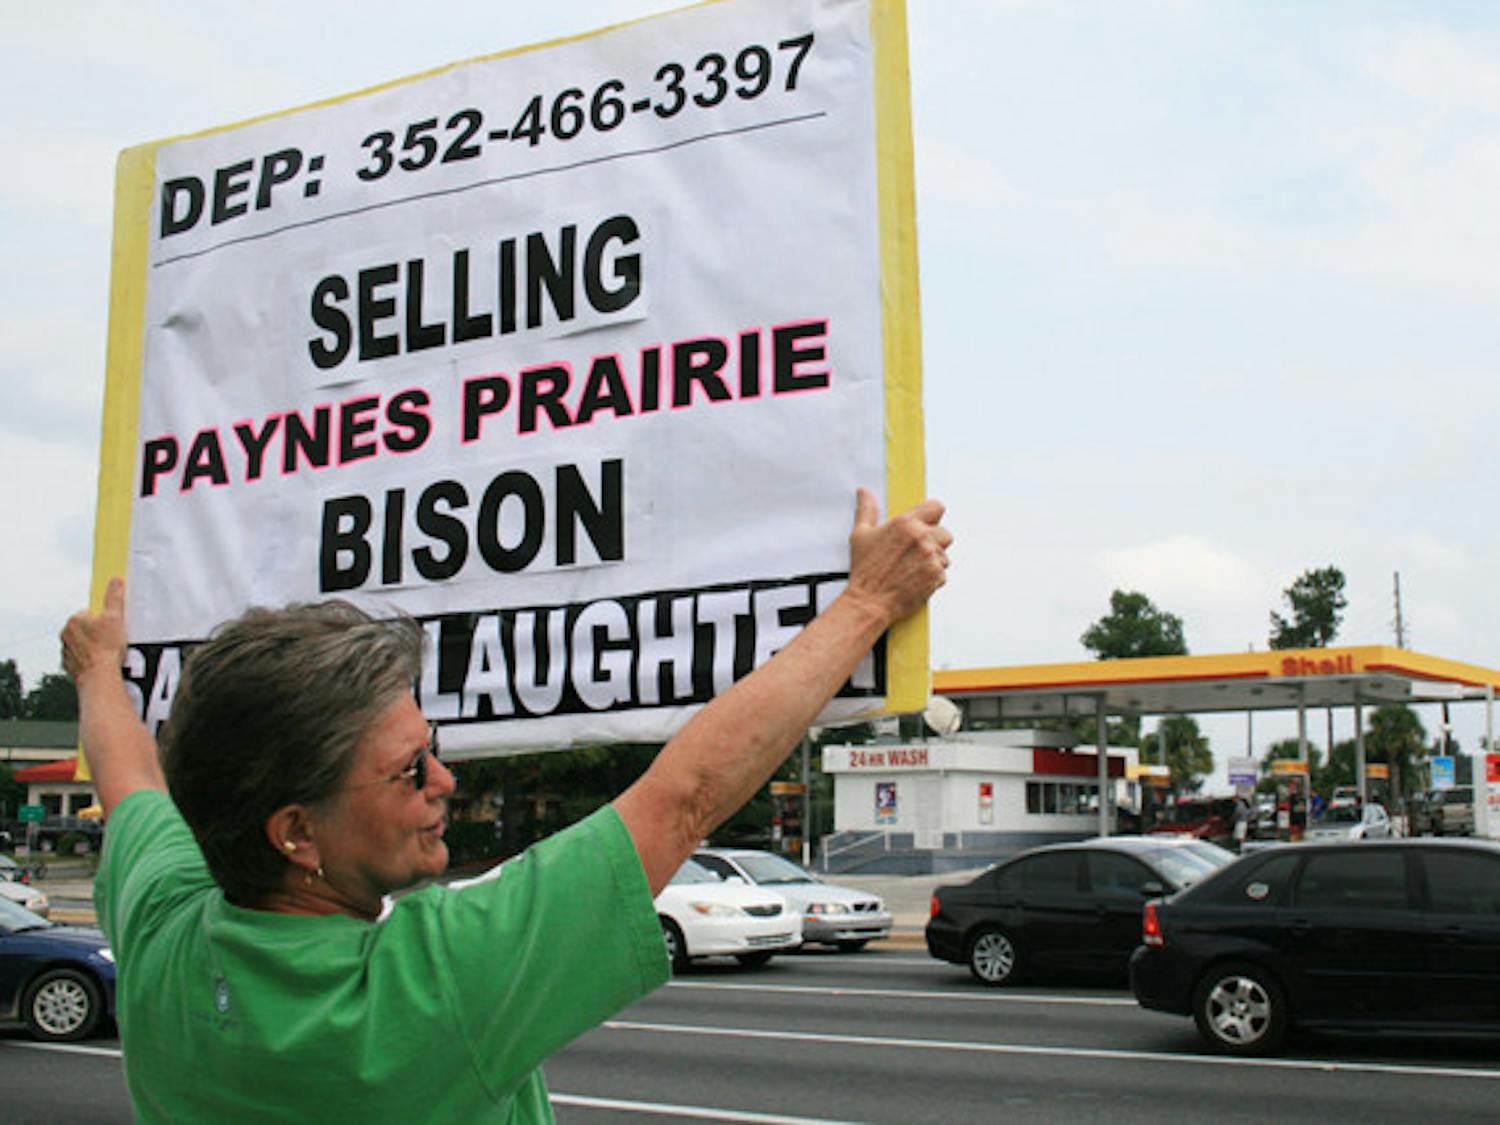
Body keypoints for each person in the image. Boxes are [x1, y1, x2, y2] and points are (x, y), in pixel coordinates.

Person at [63, 487, 951, 1122]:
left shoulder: (160, 932)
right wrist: (871, 599)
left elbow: (129, 779)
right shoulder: (424, 990)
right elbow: (685, 797)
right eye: (411, 769)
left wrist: (99, 670)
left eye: (436, 750)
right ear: (296, 831)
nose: (446, 784)